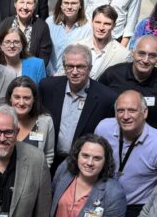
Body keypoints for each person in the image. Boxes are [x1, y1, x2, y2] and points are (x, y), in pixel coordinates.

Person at [39, 44, 117, 172]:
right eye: (70, 66)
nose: (74, 72)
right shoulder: (48, 87)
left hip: (83, 166)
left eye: (80, 67)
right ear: (64, 67)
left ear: (90, 68)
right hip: (49, 162)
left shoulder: (106, 98)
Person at [98, 35, 157, 129]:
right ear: (133, 52)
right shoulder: (112, 74)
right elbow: (98, 104)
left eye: (152, 56)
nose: (145, 60)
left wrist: (148, 131)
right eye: (141, 53)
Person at [0, 77, 55, 168]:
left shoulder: (45, 121)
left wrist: (38, 176)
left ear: (34, 99)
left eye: (26, 98)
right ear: (10, 98)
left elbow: (48, 156)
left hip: (30, 179)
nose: (21, 103)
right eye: (17, 97)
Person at [0, 0, 53, 66]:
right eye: (21, 2)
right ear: (15, 3)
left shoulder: (42, 27)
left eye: (29, 3)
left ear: (35, 6)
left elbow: (44, 58)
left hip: (31, 75)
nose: (25, 7)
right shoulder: (6, 23)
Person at [76, 5, 132, 79]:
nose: (101, 28)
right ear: (92, 22)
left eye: (107, 24)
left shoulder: (124, 55)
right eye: (98, 22)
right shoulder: (77, 47)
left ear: (114, 26)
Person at [47, 0, 91, 75]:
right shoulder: (49, 23)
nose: (69, 7)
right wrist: (52, 74)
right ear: (61, 5)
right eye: (66, 3)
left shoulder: (88, 27)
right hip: (50, 75)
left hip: (74, 76)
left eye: (74, 3)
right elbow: (45, 51)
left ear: (80, 5)